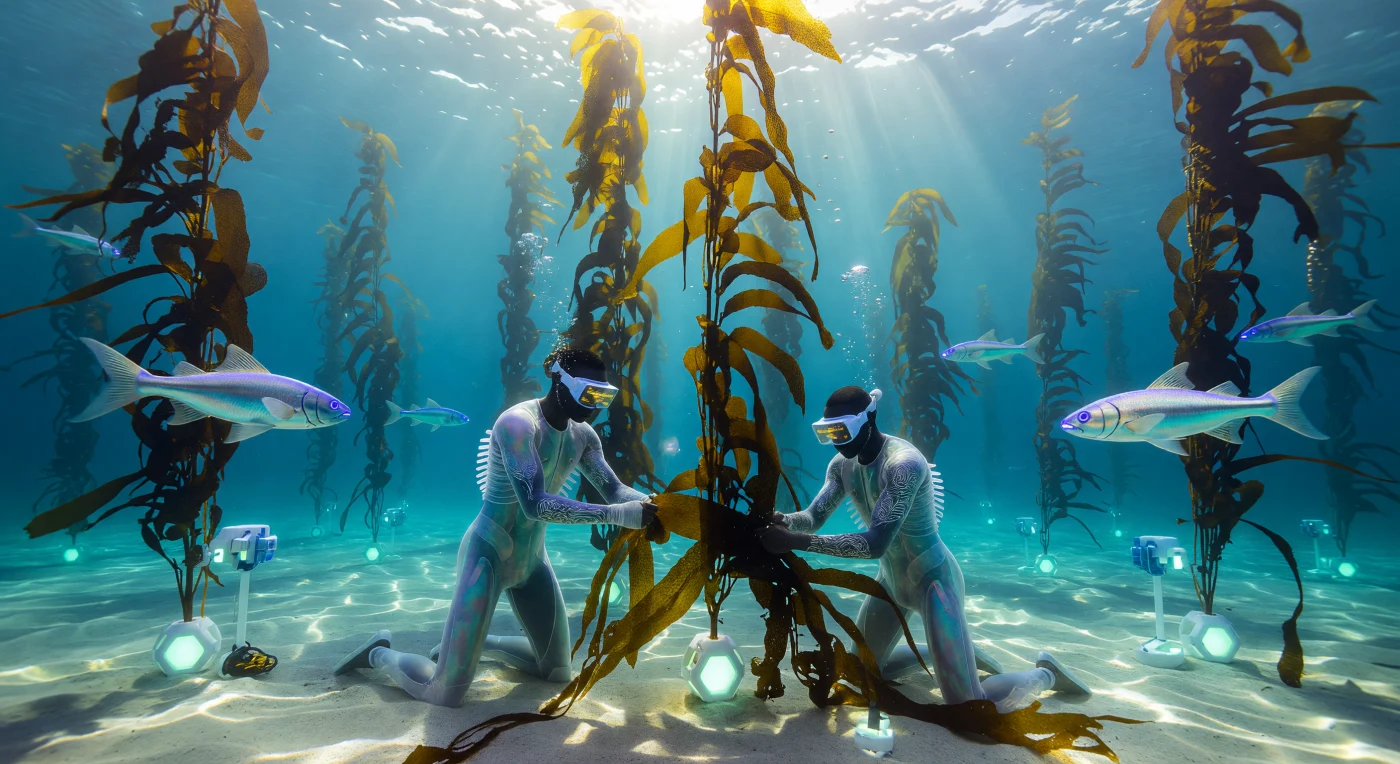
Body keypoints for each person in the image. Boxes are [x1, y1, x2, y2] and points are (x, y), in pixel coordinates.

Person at [334, 348, 658, 707]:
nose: (595, 405)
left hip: (533, 560)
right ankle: (379, 654)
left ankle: (481, 643)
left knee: (556, 673)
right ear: (558, 380)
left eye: (603, 395)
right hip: (487, 555)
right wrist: (617, 516)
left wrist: (650, 503)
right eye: (588, 393)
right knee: (446, 693)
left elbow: (614, 490)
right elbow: (535, 504)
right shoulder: (518, 425)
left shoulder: (584, 437)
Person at [760, 386, 1091, 712]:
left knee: (969, 706)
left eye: (841, 430)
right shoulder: (841, 466)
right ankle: (946, 650)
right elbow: (814, 516)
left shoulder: (904, 465)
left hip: (934, 582)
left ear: (868, 419)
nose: (836, 440)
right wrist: (784, 520)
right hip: (890, 582)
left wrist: (795, 542)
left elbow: (875, 544)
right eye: (827, 432)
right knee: (857, 678)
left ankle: (1046, 672)